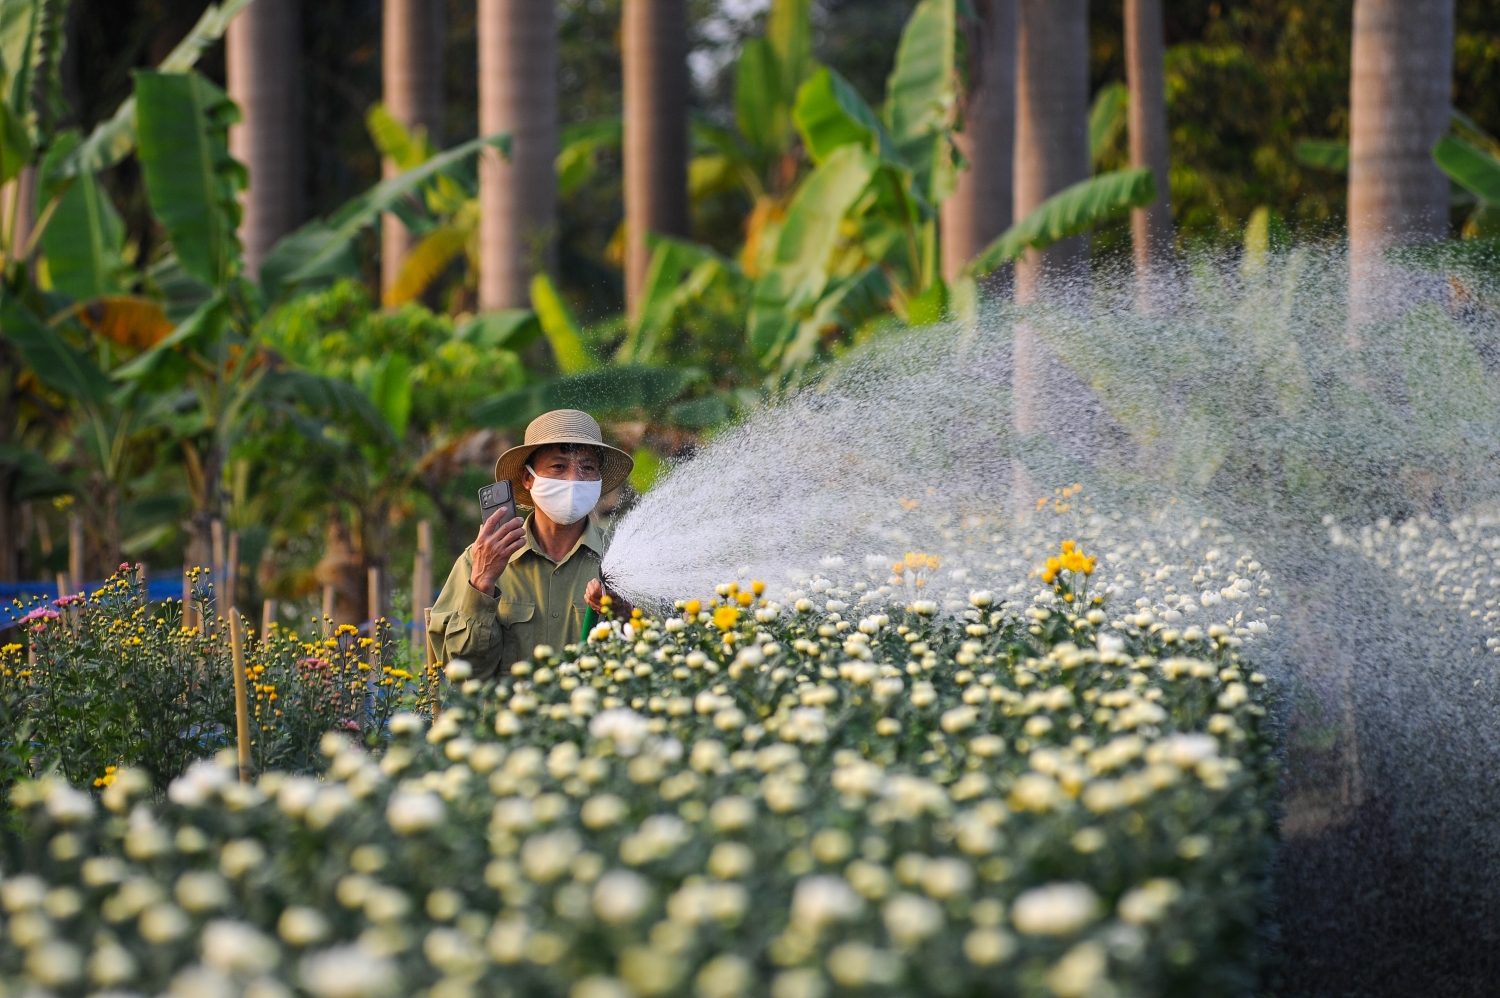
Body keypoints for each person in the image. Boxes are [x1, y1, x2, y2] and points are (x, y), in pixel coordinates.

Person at [427, 409, 634, 680]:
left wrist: (624, 614)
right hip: (512, 721)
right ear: (528, 478)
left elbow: (662, 658)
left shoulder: (625, 559)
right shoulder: (478, 560)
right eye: (559, 467)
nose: (573, 480)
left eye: (587, 468)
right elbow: (463, 672)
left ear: (598, 481)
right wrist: (481, 583)